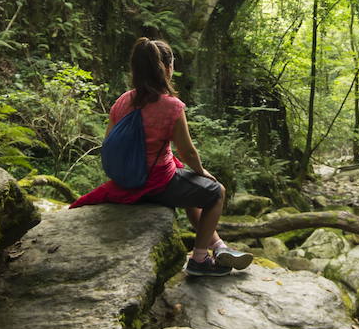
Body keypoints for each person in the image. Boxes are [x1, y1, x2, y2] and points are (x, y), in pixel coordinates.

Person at [70, 37, 253, 277]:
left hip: (126, 180)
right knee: (216, 192)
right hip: (157, 183)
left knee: (189, 186)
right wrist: (202, 172)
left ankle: (217, 245)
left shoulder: (122, 101)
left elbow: (109, 142)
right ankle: (199, 259)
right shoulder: (171, 106)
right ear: (166, 68)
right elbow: (187, 152)